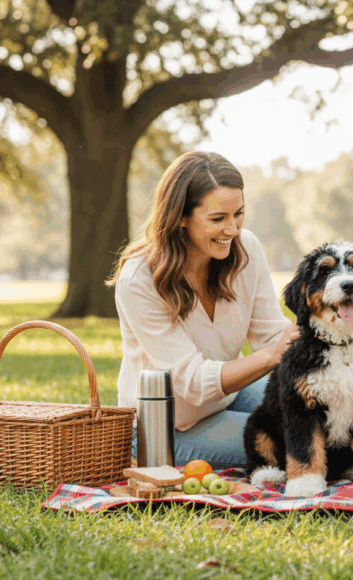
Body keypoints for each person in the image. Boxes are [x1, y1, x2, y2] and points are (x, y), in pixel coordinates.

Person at [106, 151, 300, 469]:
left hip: (229, 395)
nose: (233, 229)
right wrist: (270, 356)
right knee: (300, 442)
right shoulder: (139, 280)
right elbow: (193, 383)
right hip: (167, 430)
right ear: (180, 216)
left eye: (239, 213)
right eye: (217, 219)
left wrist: (313, 337)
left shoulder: (245, 249)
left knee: (330, 416)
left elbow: (269, 334)